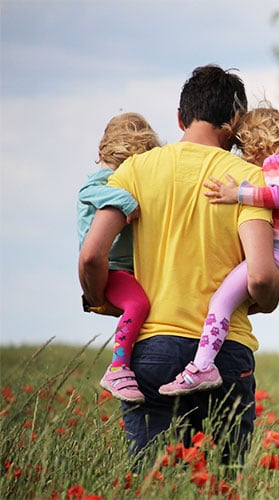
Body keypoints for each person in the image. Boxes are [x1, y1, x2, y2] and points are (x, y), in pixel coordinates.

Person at [78, 64, 279, 464]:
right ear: (235, 121)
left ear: (179, 117)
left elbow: (90, 254)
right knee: (221, 484)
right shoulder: (249, 180)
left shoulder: (135, 170)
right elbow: (260, 276)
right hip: (225, 354)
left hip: (151, 349)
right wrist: (269, 297)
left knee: (153, 481)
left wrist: (100, 297)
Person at [159, 106, 279, 396]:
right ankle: (211, 352)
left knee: (220, 302)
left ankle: (202, 366)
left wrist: (236, 193)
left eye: (244, 148)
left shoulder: (278, 162)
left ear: (257, 143)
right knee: (236, 301)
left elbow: (278, 195)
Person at [77, 112, 160, 404]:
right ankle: (118, 367)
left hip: (126, 268)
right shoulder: (103, 181)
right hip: (111, 269)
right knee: (138, 304)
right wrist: (127, 201)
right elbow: (89, 191)